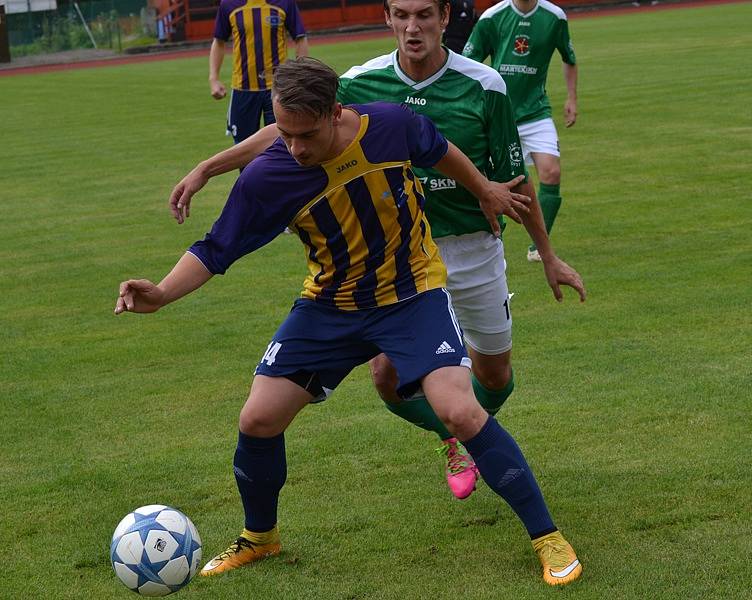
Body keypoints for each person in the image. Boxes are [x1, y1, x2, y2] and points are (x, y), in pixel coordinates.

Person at [119, 57, 582, 586]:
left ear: (337, 113)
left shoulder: (390, 125)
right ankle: (259, 539)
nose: (294, 148)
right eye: (284, 133)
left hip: (411, 294)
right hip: (329, 306)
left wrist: (481, 187)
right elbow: (216, 247)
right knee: (258, 419)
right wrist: (160, 294)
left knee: (458, 410)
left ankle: (547, 535)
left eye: (306, 135)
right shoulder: (271, 175)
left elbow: (438, 150)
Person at [169, 0, 585, 512]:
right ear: (388, 18)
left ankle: (464, 431)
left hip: (472, 247)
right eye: (401, 14)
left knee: (494, 376)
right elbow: (292, 126)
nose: (413, 27)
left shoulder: (485, 86)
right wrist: (209, 167)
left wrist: (547, 254)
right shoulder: (358, 84)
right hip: (397, 259)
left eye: (425, 15)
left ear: (445, 17)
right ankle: (456, 435)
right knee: (387, 378)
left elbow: (511, 185)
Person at [463, 0, 578, 262]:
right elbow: (467, 62)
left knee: (551, 171)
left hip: (536, 110)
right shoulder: (492, 17)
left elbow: (569, 58)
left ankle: (539, 247)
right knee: (488, 181)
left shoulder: (554, 17)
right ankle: (488, 241)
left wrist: (572, 99)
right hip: (498, 114)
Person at [209, 0, 309, 145]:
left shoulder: (284, 2)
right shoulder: (229, 4)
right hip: (243, 88)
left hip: (278, 88)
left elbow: (300, 38)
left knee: (282, 144)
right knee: (243, 148)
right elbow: (219, 41)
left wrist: (300, 76)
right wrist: (213, 79)